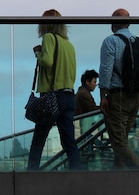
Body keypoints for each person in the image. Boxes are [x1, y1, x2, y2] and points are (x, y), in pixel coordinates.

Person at [99, 8, 139, 169]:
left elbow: (106, 70)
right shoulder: (138, 41)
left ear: (114, 22)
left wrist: (103, 95)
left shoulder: (110, 41)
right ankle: (116, 181)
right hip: (135, 98)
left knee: (119, 144)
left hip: (117, 97)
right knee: (122, 140)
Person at [27, 9, 82, 171]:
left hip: (52, 96)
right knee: (69, 141)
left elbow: (47, 61)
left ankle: (31, 174)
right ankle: (77, 171)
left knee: (39, 139)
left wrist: (38, 52)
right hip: (68, 96)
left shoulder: (48, 38)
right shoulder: (69, 45)